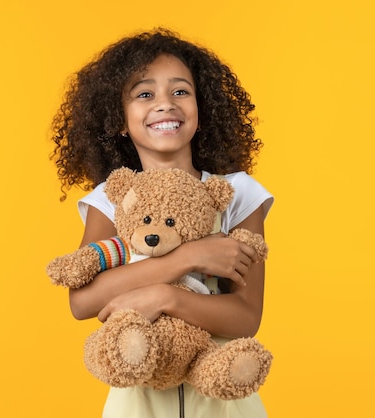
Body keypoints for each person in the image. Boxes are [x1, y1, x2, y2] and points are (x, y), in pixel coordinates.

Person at [50, 28, 273, 418]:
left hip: (223, 403)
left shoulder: (237, 192)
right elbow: (83, 301)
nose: (165, 104)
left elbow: (246, 317)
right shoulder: (112, 199)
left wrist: (166, 298)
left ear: (202, 111)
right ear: (120, 118)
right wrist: (186, 258)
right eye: (145, 93)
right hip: (136, 404)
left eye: (181, 91)